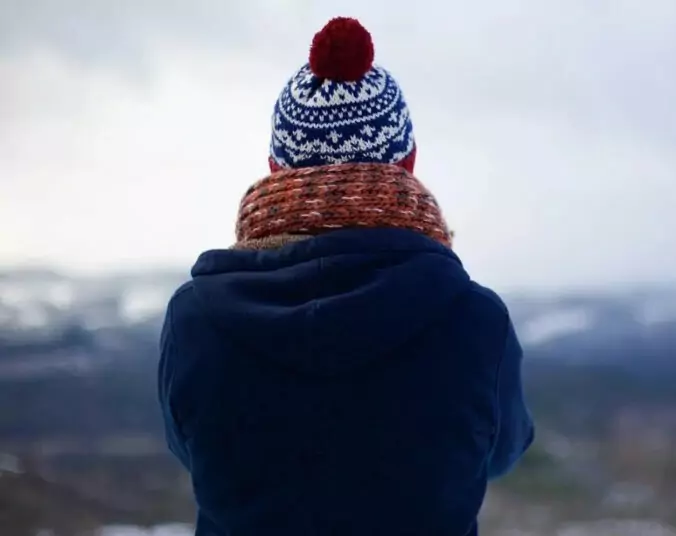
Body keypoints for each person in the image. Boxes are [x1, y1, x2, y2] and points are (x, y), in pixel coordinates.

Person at [158, 17, 534, 536]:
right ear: (408, 162)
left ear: (274, 166)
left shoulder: (195, 320)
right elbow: (500, 451)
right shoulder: (476, 321)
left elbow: (189, 448)